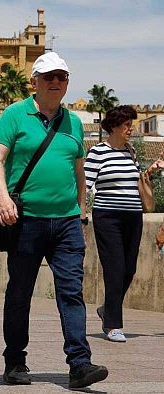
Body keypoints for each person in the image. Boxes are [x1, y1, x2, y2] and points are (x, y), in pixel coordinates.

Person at [0, 52, 108, 389]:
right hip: (26, 221)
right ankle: (15, 362)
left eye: (62, 77)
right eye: (49, 77)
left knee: (71, 292)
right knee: (20, 292)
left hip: (67, 223)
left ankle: (79, 365)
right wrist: (4, 198)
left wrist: (81, 211)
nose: (56, 82)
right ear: (35, 82)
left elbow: (79, 171)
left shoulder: (73, 123)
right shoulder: (14, 115)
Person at [84, 105, 164, 342]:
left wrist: (150, 170)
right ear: (114, 126)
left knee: (129, 269)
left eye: (132, 125)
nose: (132, 129)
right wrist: (79, 214)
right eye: (128, 125)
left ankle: (106, 309)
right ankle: (112, 325)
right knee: (115, 268)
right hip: (107, 216)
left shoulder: (131, 152)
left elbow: (135, 182)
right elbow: (85, 186)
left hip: (133, 216)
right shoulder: (98, 152)